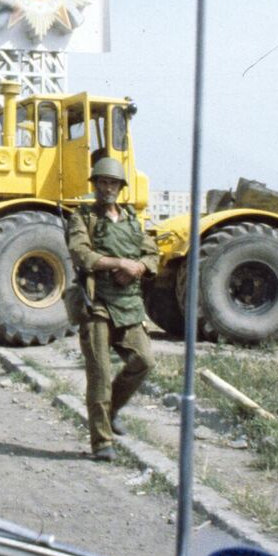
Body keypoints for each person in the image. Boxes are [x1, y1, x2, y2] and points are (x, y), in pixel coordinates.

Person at [66, 156, 161, 460]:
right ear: (95, 186)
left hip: (129, 303)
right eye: (102, 182)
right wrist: (119, 262)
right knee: (99, 374)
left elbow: (152, 255)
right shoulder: (82, 218)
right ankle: (101, 441)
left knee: (144, 360)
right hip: (97, 303)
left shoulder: (132, 219)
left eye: (113, 183)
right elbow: (81, 254)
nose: (107, 188)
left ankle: (113, 410)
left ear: (121, 187)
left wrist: (138, 267)